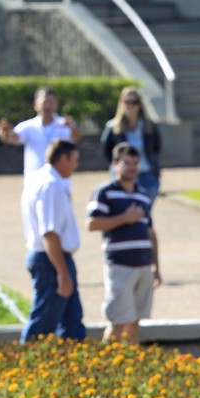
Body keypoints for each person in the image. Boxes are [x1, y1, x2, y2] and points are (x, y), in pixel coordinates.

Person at [86, 143, 161, 344]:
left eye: (135, 163)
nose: (131, 167)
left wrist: (157, 266)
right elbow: (92, 223)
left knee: (135, 321)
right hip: (120, 264)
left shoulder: (143, 194)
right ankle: (106, 366)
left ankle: (131, 364)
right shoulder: (105, 192)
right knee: (118, 320)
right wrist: (125, 218)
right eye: (126, 163)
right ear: (115, 164)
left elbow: (150, 231)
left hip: (144, 264)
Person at [20, 138, 86, 343]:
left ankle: (72, 366)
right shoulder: (50, 185)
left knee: (72, 322)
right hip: (51, 260)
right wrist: (62, 273)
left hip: (51, 258)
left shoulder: (42, 179)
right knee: (43, 323)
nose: (76, 165)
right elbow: (49, 232)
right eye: (74, 160)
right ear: (62, 158)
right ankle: (24, 363)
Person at [0, 86, 83, 180]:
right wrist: (5, 132)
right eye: (45, 102)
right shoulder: (28, 126)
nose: (48, 106)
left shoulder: (65, 124)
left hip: (60, 181)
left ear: (56, 104)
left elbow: (78, 137)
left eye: (51, 102)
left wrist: (71, 128)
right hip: (34, 181)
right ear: (35, 105)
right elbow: (12, 138)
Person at [100, 87, 162, 202]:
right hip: (123, 176)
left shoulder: (149, 126)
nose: (130, 105)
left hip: (147, 175)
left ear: (139, 105)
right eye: (127, 102)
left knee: (143, 214)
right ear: (122, 104)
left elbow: (156, 148)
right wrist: (118, 167)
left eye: (134, 102)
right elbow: (107, 150)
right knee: (123, 210)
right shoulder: (113, 127)